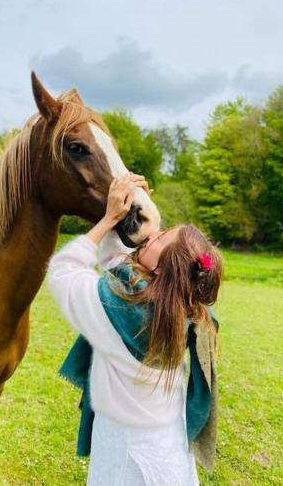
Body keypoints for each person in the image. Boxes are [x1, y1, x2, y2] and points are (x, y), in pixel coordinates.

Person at [47, 173, 223, 485]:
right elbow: (118, 262)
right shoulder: (187, 306)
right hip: (165, 437)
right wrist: (136, 212)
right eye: (164, 230)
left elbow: (63, 272)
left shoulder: (121, 308)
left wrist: (107, 220)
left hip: (126, 441)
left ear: (160, 272)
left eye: (160, 240)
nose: (153, 235)